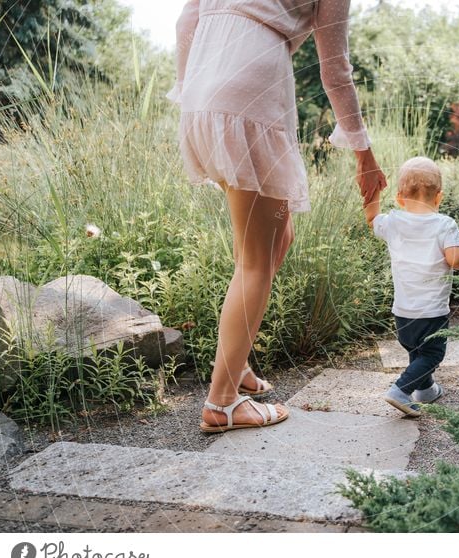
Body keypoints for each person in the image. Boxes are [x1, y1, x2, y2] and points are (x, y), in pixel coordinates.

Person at [166, 0, 388, 432]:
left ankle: (237, 361)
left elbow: (185, 20)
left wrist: (191, 88)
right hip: (252, 95)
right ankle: (223, 402)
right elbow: (335, 65)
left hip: (203, 89)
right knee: (256, 259)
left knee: (276, 236)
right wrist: (363, 151)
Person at [363, 156, 459, 417]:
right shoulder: (445, 224)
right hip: (432, 312)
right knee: (432, 353)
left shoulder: (392, 222)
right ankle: (401, 390)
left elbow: (371, 217)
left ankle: (426, 390)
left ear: (400, 198)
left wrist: (374, 187)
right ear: (439, 198)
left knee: (417, 352)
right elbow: (455, 260)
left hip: (402, 313)